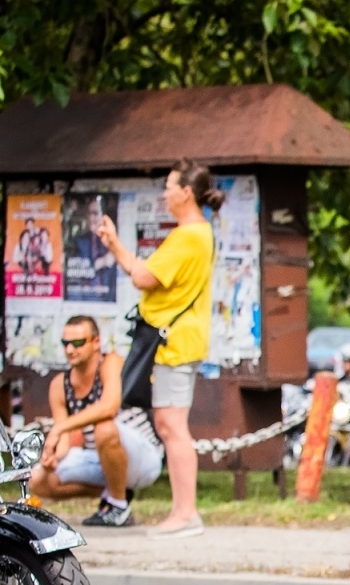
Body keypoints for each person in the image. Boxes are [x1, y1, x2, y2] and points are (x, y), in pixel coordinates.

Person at [97, 159, 222, 538]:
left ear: (186, 192)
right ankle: (183, 512)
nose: (165, 193)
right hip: (179, 341)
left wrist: (116, 246)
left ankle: (185, 513)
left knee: (172, 427)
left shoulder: (189, 235)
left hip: (174, 344)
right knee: (170, 426)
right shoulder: (200, 233)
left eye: (169, 186)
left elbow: (143, 276)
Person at [30, 315, 161, 526]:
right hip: (101, 460)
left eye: (78, 343)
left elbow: (108, 408)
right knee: (38, 480)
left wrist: (59, 428)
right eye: (66, 343)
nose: (70, 349)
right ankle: (113, 494)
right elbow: (63, 444)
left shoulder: (111, 363)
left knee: (104, 428)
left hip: (143, 459)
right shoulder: (59, 385)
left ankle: (118, 507)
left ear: (96, 342)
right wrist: (49, 459)